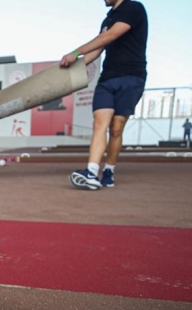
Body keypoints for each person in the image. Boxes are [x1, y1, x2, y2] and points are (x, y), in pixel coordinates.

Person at [60, 0, 148, 190]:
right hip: (107, 79)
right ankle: (91, 172)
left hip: (131, 77)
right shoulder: (107, 19)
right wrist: (71, 67)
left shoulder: (134, 8)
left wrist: (75, 52)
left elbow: (111, 36)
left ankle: (108, 171)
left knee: (116, 128)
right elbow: (98, 50)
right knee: (100, 123)